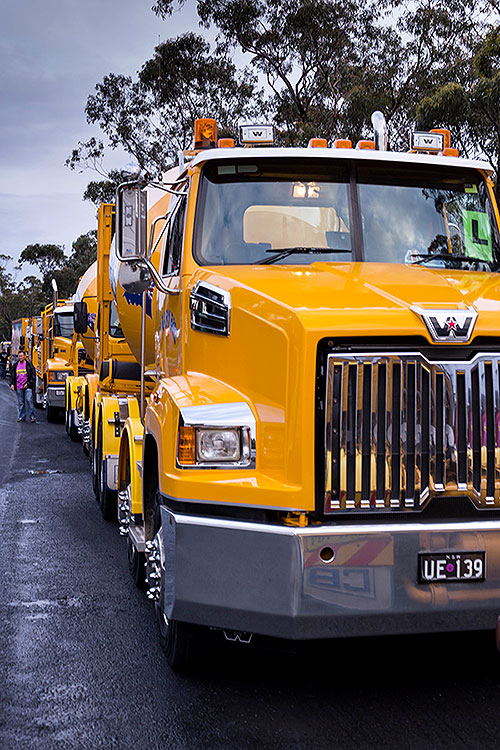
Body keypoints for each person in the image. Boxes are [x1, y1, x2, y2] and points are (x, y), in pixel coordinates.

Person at [10, 350, 36, 423]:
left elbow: (33, 376)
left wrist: (28, 384)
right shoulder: (15, 366)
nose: (20, 357)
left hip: (27, 386)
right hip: (19, 386)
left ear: (25, 357)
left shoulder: (29, 365)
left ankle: (32, 416)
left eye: (21, 356)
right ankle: (22, 417)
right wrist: (12, 384)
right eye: (19, 356)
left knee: (29, 400)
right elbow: (12, 376)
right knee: (21, 403)